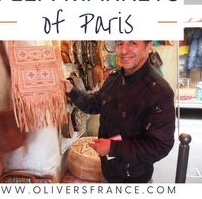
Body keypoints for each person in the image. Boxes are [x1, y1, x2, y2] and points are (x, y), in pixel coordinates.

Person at [65, 41, 175, 183]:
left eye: (133, 43)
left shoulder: (159, 92)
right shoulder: (114, 78)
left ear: (148, 47)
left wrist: (113, 148)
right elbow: (94, 103)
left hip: (133, 178)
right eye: (119, 44)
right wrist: (70, 90)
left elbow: (160, 145)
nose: (123, 51)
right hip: (108, 171)